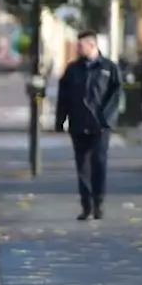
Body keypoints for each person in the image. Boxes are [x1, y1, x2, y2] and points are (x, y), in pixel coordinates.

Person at [55, 29, 122, 220]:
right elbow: (64, 97)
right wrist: (60, 121)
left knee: (99, 162)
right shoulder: (72, 69)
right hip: (78, 123)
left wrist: (107, 119)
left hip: (100, 126)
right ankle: (86, 205)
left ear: (92, 45)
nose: (77, 48)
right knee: (82, 165)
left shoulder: (109, 68)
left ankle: (99, 201)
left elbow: (116, 96)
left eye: (80, 45)